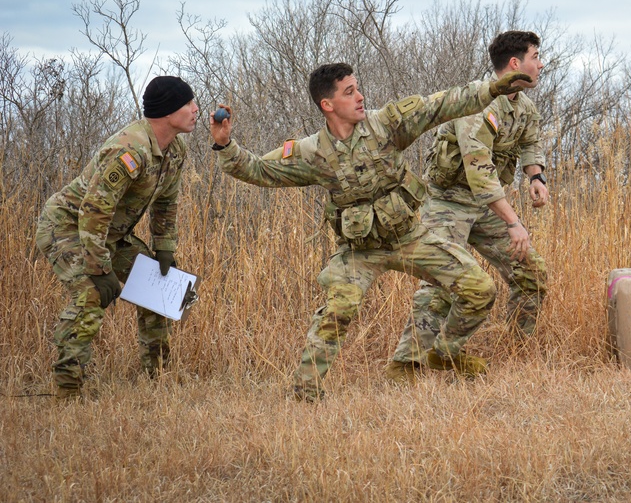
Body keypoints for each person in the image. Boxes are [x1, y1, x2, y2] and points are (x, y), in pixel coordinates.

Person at [208, 63, 532, 401]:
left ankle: (445, 351)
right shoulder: (311, 152)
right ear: (327, 105)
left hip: (410, 238)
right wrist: (224, 145)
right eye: (349, 92)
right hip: (357, 251)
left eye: (358, 88)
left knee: (479, 288)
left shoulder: (386, 124)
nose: (361, 97)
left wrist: (492, 89)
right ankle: (305, 395)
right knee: (337, 310)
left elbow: (441, 104)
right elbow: (259, 169)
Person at [386, 31, 549, 383]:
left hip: (485, 208)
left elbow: (531, 144)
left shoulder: (524, 107)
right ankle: (406, 366)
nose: (541, 63)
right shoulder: (478, 106)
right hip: (449, 203)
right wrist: (514, 223)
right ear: (515, 64)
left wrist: (537, 178)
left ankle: (515, 351)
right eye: (536, 56)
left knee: (531, 274)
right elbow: (480, 173)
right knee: (444, 282)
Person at [35, 76, 199, 398]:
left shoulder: (175, 150)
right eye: (188, 103)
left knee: (158, 287)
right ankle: (68, 391)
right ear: (167, 112)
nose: (195, 109)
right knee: (90, 297)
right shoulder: (130, 150)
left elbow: (167, 203)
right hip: (67, 226)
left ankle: (158, 378)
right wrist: (100, 268)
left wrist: (164, 249)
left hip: (107, 233)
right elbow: (93, 211)